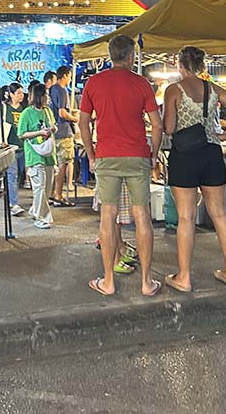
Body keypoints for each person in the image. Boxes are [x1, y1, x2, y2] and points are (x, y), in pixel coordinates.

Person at [79, 34, 164, 298]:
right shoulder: (142, 84)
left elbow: (83, 123)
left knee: (108, 216)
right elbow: (157, 124)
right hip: (137, 154)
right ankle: (147, 282)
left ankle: (108, 281)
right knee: (142, 217)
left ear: (109, 55)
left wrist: (92, 155)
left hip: (106, 155)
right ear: (130, 57)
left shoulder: (94, 83)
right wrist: (154, 153)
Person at [162, 46, 226, 292]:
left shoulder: (174, 90)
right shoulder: (212, 88)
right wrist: (224, 135)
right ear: (200, 66)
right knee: (220, 214)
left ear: (180, 65)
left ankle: (184, 277)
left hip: (184, 156)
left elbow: (169, 128)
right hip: (212, 153)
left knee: (186, 217)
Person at [18, 81, 58, 229]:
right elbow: (21, 134)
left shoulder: (47, 111)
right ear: (38, 96)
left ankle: (36, 210)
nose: (47, 98)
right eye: (45, 95)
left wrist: (52, 128)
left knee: (47, 188)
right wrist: (39, 133)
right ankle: (41, 217)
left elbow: (54, 125)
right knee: (40, 187)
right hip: (34, 154)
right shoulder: (26, 113)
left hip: (48, 153)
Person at [0, 83, 27, 216]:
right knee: (12, 175)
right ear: (11, 94)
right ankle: (14, 204)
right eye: (18, 93)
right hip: (9, 148)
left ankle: (11, 198)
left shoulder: (23, 109)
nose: (21, 95)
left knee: (18, 175)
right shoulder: (4, 108)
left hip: (22, 146)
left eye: (22, 93)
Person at [49, 65, 78, 208]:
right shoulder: (62, 90)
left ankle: (52, 193)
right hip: (63, 132)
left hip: (54, 132)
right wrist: (75, 118)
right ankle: (58, 195)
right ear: (65, 75)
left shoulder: (52, 89)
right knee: (63, 164)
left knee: (55, 165)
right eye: (70, 75)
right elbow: (62, 113)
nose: (70, 78)